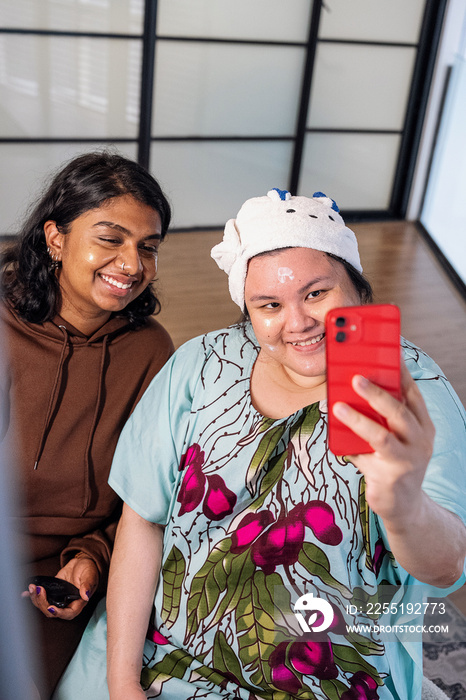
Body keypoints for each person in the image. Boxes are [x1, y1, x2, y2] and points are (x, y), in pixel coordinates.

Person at [56, 189, 466, 700]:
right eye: (268, 305)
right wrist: (121, 682)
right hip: (165, 650)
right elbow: (145, 519)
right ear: (247, 311)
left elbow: (448, 566)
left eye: (317, 293)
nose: (296, 323)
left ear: (360, 290)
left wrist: (403, 504)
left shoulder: (414, 391)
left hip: (330, 671)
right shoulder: (202, 363)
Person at [0, 151, 174, 698]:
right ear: (55, 238)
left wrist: (91, 560)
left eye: (147, 247)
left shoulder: (150, 351)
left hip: (60, 579)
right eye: (111, 238)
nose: (131, 263)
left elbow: (148, 494)